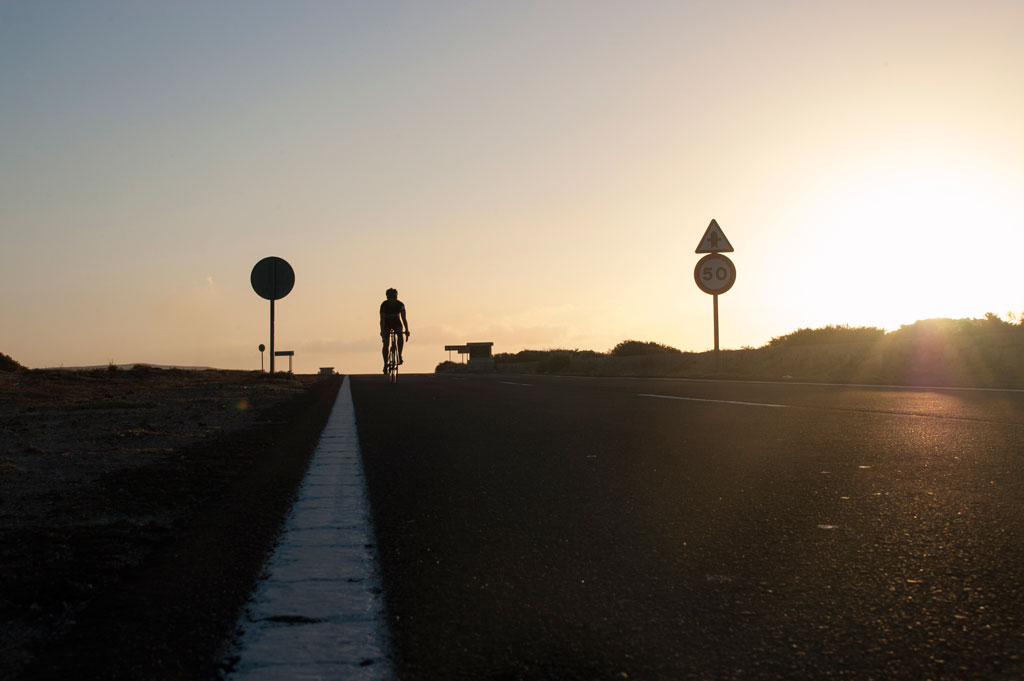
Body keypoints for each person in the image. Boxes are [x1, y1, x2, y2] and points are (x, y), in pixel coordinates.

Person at [380, 288, 410, 372]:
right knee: (386, 344)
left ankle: (399, 355)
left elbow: (404, 318)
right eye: (391, 298)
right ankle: (385, 363)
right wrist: (382, 332)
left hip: (396, 322)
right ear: (387, 298)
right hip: (387, 323)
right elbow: (382, 320)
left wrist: (407, 329)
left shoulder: (400, 304)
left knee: (400, 335)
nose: (393, 300)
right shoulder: (384, 305)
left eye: (394, 297)